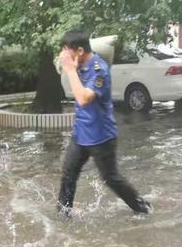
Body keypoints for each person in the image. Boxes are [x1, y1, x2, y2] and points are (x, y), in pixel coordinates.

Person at [57, 30, 151, 217]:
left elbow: (84, 98)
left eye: (67, 50)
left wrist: (69, 71)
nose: (64, 55)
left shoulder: (100, 70)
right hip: (80, 134)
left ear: (80, 50)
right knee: (68, 173)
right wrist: (71, 68)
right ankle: (63, 214)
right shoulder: (79, 64)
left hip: (101, 136)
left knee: (110, 178)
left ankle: (142, 207)